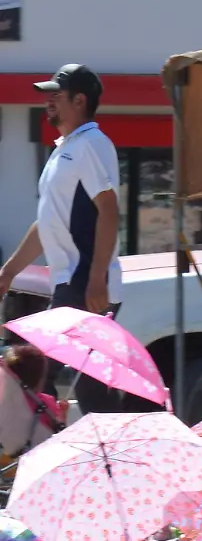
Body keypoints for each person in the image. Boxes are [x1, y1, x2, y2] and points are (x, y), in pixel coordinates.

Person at [0, 65, 138, 417]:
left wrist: (96, 280)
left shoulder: (92, 144)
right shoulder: (65, 150)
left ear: (80, 100)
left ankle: (42, 447)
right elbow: (46, 223)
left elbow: (108, 210)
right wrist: (8, 272)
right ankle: (107, 457)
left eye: (56, 96)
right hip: (72, 283)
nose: (48, 102)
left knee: (31, 367)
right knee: (89, 389)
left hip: (83, 285)